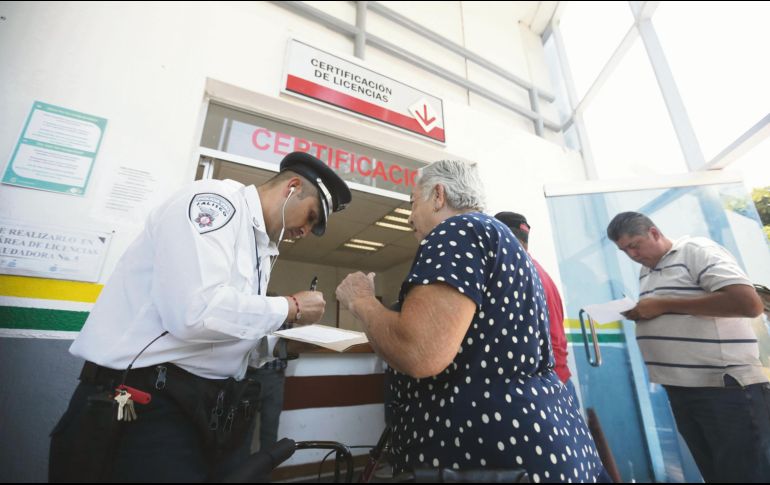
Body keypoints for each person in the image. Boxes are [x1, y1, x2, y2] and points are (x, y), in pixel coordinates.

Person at [49, 151, 351, 482]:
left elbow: (227, 327)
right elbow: (194, 313)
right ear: (292, 188)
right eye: (310, 217)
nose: (305, 231)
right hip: (145, 400)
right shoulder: (216, 202)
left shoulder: (259, 247)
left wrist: (282, 335)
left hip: (199, 405)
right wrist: (289, 306)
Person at [336, 160, 607, 483]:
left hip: (493, 456)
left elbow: (419, 351)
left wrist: (361, 300)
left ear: (438, 195)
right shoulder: (510, 248)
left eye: (412, 203)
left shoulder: (457, 230)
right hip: (541, 443)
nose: (410, 217)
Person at [607, 211, 770, 483]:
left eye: (635, 245)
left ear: (654, 233)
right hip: (684, 389)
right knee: (717, 473)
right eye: (624, 251)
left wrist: (664, 304)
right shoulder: (648, 270)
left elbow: (748, 304)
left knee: (746, 472)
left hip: (724, 387)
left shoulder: (696, 251)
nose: (632, 254)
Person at [494, 211, 580, 406]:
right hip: (560, 378)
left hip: (544, 386)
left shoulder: (516, 275)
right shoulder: (541, 273)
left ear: (498, 236)